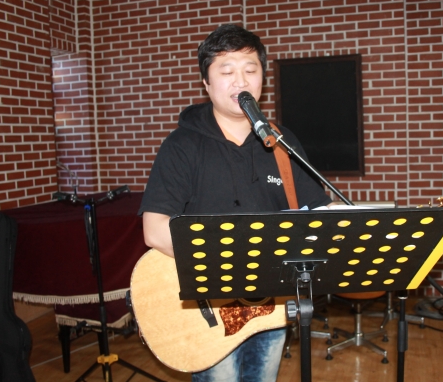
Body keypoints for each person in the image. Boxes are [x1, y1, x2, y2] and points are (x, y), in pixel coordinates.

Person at [139, 23, 332, 382]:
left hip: (272, 307)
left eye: (250, 70)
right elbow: (155, 230)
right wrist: (233, 261)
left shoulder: (282, 142)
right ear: (206, 83)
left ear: (263, 79)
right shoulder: (182, 146)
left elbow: (317, 212)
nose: (240, 81)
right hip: (206, 310)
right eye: (226, 71)